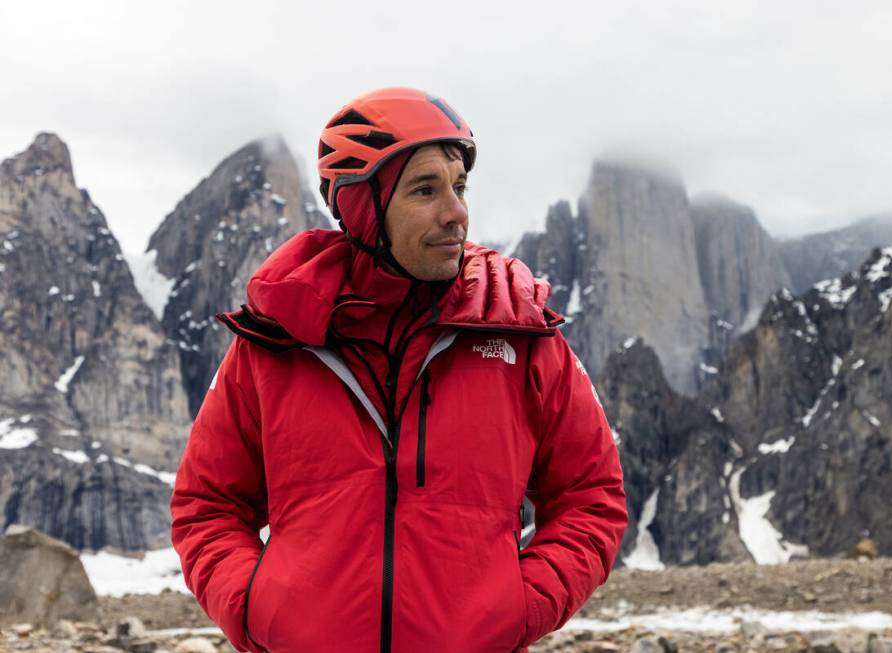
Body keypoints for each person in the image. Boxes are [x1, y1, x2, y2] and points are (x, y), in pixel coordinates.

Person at [170, 87, 628, 653]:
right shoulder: (274, 343)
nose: (456, 212)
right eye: (425, 190)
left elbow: (591, 496)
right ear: (361, 207)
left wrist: (517, 608)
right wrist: (260, 611)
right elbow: (207, 505)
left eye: (459, 187)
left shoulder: (521, 337)